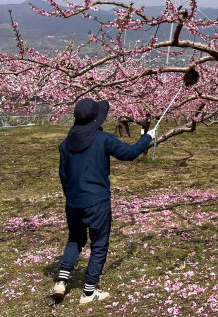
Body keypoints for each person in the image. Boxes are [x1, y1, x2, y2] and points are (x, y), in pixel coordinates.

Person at [51, 98, 154, 305]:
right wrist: (147, 138)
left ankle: (61, 281)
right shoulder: (103, 139)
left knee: (75, 239)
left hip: (73, 201)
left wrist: (71, 196)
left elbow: (63, 174)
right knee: (99, 244)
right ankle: (89, 292)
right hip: (97, 201)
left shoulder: (66, 143)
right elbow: (129, 153)